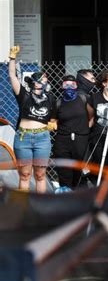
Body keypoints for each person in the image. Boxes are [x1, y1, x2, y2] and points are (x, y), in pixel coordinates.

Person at [8, 45, 57, 193]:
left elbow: (53, 119)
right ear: (34, 82)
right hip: (24, 137)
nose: (45, 81)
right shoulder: (24, 95)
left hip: (42, 137)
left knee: (40, 175)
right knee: (25, 175)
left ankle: (40, 210)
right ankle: (23, 209)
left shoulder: (51, 99)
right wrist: (12, 58)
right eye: (42, 79)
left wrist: (52, 125)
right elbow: (12, 76)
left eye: (46, 79)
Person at [53, 75, 91, 189]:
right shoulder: (58, 103)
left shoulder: (84, 99)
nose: (69, 87)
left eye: (72, 84)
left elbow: (91, 116)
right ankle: (66, 196)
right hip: (63, 140)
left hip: (81, 139)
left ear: (76, 86)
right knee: (64, 171)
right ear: (61, 86)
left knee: (80, 170)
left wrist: (84, 129)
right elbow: (53, 120)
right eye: (66, 85)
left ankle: (81, 198)